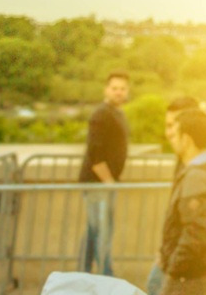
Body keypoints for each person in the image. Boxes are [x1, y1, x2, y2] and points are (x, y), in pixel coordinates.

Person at [156, 108, 206, 295]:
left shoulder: (197, 178)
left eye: (176, 134)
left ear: (187, 139)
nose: (171, 138)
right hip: (203, 272)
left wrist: (174, 270)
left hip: (189, 277)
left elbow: (195, 234)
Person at [79, 72, 132, 276]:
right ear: (106, 89)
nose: (119, 92)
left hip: (105, 183)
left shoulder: (117, 113)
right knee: (102, 230)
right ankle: (106, 274)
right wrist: (109, 181)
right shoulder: (101, 114)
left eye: (123, 88)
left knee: (94, 230)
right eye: (115, 88)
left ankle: (83, 271)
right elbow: (96, 153)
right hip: (97, 184)